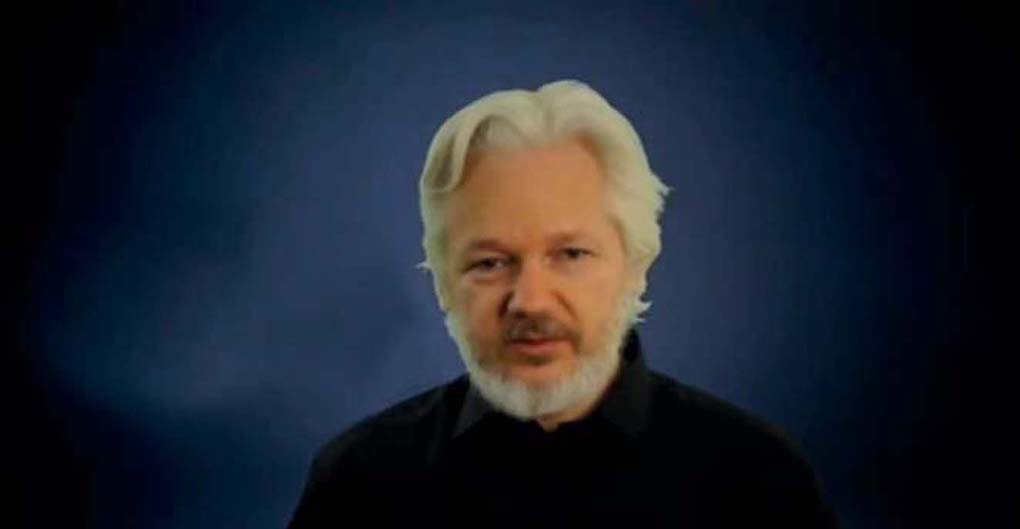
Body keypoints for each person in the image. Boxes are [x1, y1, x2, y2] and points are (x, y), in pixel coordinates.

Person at [287, 80, 838, 527]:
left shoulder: (760, 483)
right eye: (490, 263)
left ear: (637, 264)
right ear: (443, 281)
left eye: (571, 254)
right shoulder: (358, 484)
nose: (529, 301)